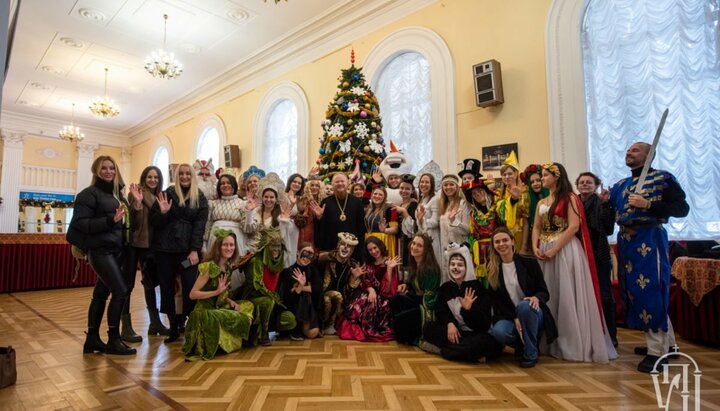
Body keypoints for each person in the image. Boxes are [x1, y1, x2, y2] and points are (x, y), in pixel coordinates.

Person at [601, 142, 689, 372]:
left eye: (636, 150)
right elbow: (609, 222)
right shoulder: (621, 185)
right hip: (626, 242)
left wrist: (648, 203)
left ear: (649, 155)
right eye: (628, 150)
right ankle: (668, 345)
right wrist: (604, 204)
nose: (629, 152)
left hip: (650, 238)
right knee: (636, 293)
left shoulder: (663, 179)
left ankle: (656, 353)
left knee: (651, 291)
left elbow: (682, 208)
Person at [532, 162, 616, 363]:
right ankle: (551, 339)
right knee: (551, 294)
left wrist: (555, 248)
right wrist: (535, 245)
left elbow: (573, 226)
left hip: (565, 250)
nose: (542, 179)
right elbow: (536, 226)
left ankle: (572, 342)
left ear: (556, 176)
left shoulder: (569, 198)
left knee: (567, 294)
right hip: (544, 249)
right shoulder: (542, 201)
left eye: (545, 175)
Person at [67, 156, 136, 355]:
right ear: (96, 171)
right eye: (103, 168)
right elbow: (80, 224)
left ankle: (92, 339)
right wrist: (110, 220)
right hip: (100, 251)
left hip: (115, 251)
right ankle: (114, 339)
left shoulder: (117, 195)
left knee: (101, 294)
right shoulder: (88, 194)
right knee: (121, 291)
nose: (108, 171)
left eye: (111, 168)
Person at [151, 163, 209, 343]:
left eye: (187, 174)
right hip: (165, 249)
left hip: (186, 251)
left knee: (190, 286)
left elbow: (200, 227)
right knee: (167, 288)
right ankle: (173, 326)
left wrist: (194, 250)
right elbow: (155, 223)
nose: (184, 177)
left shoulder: (199, 197)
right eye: (181, 174)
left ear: (192, 176)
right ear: (177, 176)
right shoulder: (167, 194)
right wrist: (163, 213)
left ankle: (188, 322)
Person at [487, 227, 557, 368]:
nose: (502, 244)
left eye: (505, 240)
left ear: (513, 241)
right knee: (498, 332)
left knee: (524, 306)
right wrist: (515, 317)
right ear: (493, 246)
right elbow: (497, 303)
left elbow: (544, 292)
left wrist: (537, 298)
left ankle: (530, 353)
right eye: (497, 242)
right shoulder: (493, 270)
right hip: (511, 317)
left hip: (533, 312)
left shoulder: (529, 263)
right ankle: (522, 344)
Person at [421, 243, 503, 362]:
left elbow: (483, 325)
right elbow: (441, 311)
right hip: (456, 333)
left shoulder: (478, 288)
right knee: (428, 328)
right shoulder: (446, 288)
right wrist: (450, 323)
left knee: (488, 343)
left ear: (467, 267)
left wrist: (467, 310)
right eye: (452, 264)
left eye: (460, 265)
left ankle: (443, 351)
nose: (455, 268)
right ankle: (467, 354)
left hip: (475, 334)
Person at [183, 230, 254, 360]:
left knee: (247, 305)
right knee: (241, 318)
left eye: (232, 245)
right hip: (206, 312)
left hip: (219, 307)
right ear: (219, 247)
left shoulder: (227, 267)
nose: (229, 248)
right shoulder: (209, 267)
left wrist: (229, 300)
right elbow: (192, 295)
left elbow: (222, 293)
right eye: (225, 245)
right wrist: (216, 292)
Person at [126, 166, 170, 339]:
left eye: (156, 177)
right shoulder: (136, 193)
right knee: (127, 285)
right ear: (144, 178)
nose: (153, 180)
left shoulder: (160, 198)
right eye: (150, 177)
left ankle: (155, 322)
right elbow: (132, 221)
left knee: (150, 283)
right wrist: (136, 204)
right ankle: (126, 326)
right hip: (134, 243)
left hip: (151, 245)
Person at [576, 171, 618, 348]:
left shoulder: (602, 203)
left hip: (598, 254)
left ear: (596, 185)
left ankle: (610, 335)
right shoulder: (573, 203)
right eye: (582, 182)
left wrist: (607, 205)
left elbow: (608, 229)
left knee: (604, 295)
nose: (585, 184)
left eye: (589, 182)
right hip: (578, 254)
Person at [237, 228, 297, 346]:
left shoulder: (279, 262)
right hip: (253, 300)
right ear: (266, 247)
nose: (276, 249)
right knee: (267, 301)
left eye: (278, 246)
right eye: (272, 246)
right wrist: (273, 297)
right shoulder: (256, 261)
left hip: (272, 304)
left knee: (291, 320)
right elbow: (256, 287)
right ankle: (263, 334)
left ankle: (270, 328)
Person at [337, 237, 399, 342]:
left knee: (372, 304)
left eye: (375, 248)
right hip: (369, 292)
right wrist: (371, 290)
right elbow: (365, 281)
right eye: (370, 250)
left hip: (384, 296)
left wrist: (389, 269)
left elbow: (387, 290)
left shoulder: (389, 262)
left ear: (380, 246)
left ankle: (369, 328)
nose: (373, 251)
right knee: (359, 301)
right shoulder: (368, 263)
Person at [390, 234, 440, 346]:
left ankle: (411, 334)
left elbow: (429, 300)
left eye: (419, 245)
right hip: (418, 300)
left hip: (427, 306)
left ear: (426, 250)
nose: (414, 247)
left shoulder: (430, 269)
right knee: (396, 300)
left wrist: (410, 296)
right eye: (413, 243)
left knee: (400, 320)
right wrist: (406, 286)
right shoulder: (414, 263)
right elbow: (413, 283)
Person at [243, 173, 296, 266]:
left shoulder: (280, 215)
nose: (268, 199)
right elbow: (248, 229)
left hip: (268, 254)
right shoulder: (256, 211)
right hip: (250, 250)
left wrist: (284, 221)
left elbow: (284, 235)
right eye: (266, 197)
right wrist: (250, 212)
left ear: (276, 199)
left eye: (271, 197)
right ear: (262, 197)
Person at [310, 173, 366, 260]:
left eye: (342, 181)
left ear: (347, 183)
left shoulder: (356, 202)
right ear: (332, 184)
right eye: (337, 182)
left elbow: (361, 227)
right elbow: (321, 228)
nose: (340, 183)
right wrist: (319, 218)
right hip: (331, 246)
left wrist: (360, 248)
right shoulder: (326, 202)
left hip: (352, 247)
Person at [278, 243, 323, 341]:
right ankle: (294, 328)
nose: (307, 258)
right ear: (298, 252)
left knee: (313, 333)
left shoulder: (313, 270)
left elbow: (318, 288)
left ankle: (304, 326)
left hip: (308, 309)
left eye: (310, 255)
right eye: (305, 253)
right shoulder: (287, 272)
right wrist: (300, 287)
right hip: (293, 308)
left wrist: (302, 287)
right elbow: (286, 299)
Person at [317, 232, 360, 335]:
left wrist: (354, 278)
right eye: (343, 244)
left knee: (338, 296)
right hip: (321, 294)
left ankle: (331, 324)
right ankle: (321, 324)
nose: (345, 248)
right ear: (338, 245)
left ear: (352, 250)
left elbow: (350, 291)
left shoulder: (353, 265)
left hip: (341, 300)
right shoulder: (325, 258)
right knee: (329, 299)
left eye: (349, 246)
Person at [462, 176, 497, 284]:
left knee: (495, 276)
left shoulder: (497, 208)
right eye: (474, 193)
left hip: (494, 249)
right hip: (479, 252)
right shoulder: (473, 214)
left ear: (486, 191)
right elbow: (472, 235)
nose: (477, 194)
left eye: (480, 191)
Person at [204, 174, 249, 256]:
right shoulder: (212, 203)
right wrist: (204, 247)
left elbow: (247, 228)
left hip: (235, 243)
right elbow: (207, 225)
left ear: (234, 185)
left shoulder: (243, 204)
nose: (225, 185)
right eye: (222, 183)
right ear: (219, 186)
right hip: (215, 242)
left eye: (228, 183)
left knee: (233, 267)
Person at [437, 175, 470, 283]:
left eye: (451, 184)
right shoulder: (443, 205)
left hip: (459, 248)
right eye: (445, 185)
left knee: (461, 279)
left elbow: (467, 230)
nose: (448, 187)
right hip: (445, 250)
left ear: (457, 187)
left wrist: (453, 221)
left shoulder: (462, 204)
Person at [495, 151, 527, 247]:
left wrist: (516, 198)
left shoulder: (525, 190)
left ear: (516, 174)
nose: (507, 177)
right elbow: (498, 212)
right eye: (504, 175)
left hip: (520, 234)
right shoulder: (498, 193)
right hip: (504, 236)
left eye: (510, 174)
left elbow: (526, 216)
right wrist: (512, 200)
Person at [520, 164, 548, 255]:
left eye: (538, 180)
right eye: (532, 182)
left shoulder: (553, 197)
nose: (535, 184)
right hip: (535, 238)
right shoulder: (527, 200)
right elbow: (526, 224)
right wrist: (523, 247)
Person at [415, 172, 442, 266]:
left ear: (432, 185)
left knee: (432, 264)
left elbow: (436, 222)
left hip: (432, 238)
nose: (423, 184)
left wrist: (423, 220)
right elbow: (419, 222)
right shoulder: (421, 199)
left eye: (427, 182)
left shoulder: (435, 199)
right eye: (422, 182)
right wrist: (420, 220)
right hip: (422, 238)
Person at [364, 186, 399, 258]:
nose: (377, 196)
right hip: (369, 242)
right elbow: (363, 200)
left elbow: (395, 229)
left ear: (384, 197)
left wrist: (385, 230)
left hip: (382, 242)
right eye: (375, 194)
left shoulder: (390, 209)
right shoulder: (369, 209)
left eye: (380, 195)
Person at [298, 174, 325, 248]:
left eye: (317, 186)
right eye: (312, 185)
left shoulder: (323, 201)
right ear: (308, 187)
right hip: (306, 228)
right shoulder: (303, 200)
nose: (314, 187)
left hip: (319, 229)